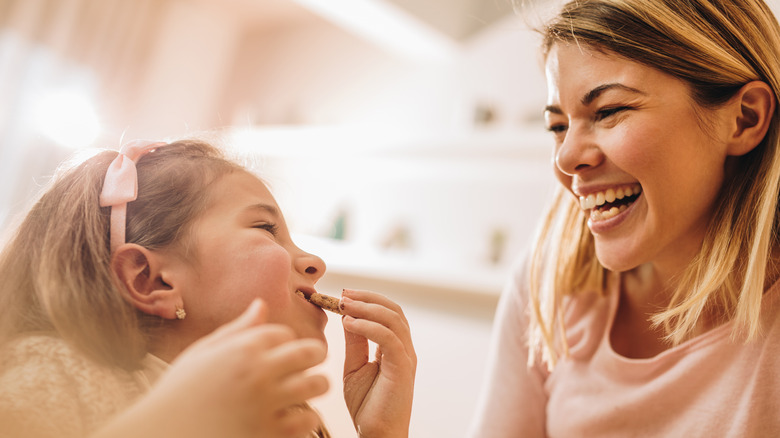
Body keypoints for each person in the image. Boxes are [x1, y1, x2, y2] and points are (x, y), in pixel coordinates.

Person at [469, 0, 780, 436]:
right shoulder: (546, 283)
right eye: (558, 126)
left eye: (609, 111)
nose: (567, 157)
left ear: (745, 118)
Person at [0, 138, 416, 438]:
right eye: (266, 229)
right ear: (152, 280)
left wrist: (381, 433)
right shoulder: (55, 380)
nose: (315, 263)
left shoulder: (281, 417)